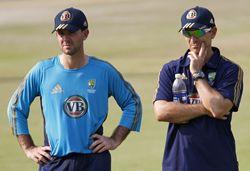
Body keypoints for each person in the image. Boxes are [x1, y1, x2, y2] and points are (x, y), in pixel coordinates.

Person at [7, 7, 142, 171]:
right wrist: (28, 147)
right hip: (54, 161)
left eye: (71, 32)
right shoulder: (42, 71)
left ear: (85, 34)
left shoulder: (103, 71)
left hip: (94, 160)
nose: (65, 38)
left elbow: (132, 103)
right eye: (60, 33)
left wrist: (115, 139)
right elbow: (15, 108)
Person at [153, 6, 243, 171]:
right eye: (187, 33)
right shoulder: (171, 69)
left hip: (219, 165)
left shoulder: (230, 70)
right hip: (178, 165)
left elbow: (217, 108)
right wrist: (204, 109)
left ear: (213, 32)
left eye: (198, 33)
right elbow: (162, 112)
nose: (193, 39)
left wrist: (196, 74)